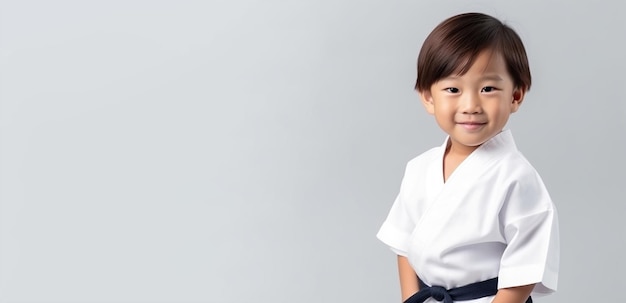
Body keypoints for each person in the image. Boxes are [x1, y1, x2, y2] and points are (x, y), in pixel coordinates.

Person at [376, 12, 559, 303]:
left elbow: (524, 272)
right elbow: (404, 245)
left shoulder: (517, 178)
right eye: (452, 89)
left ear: (516, 96)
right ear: (428, 97)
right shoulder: (420, 168)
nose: (471, 105)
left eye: (488, 88)